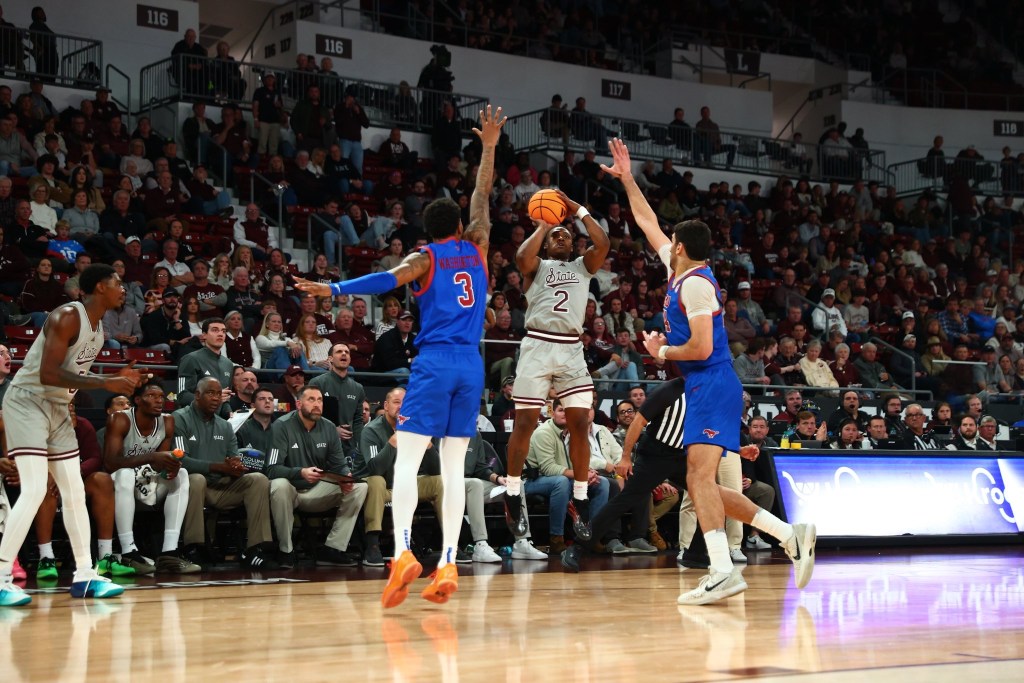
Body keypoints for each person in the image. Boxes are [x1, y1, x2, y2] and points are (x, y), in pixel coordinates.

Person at [294, 105, 506, 608]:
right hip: (470, 365)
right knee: (455, 468)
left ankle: (405, 552)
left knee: (407, 461)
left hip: (433, 362)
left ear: (425, 229)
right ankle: (450, 560)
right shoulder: (478, 245)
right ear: (460, 223)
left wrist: (333, 286)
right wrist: (490, 146)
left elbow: (386, 279)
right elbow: (481, 195)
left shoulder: (424, 257)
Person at [603, 137, 815, 605]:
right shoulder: (679, 269)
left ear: (679, 248)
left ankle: (722, 570)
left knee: (698, 481)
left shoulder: (697, 286)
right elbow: (647, 222)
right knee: (702, 483)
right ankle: (789, 535)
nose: (665, 243)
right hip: (704, 385)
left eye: (670, 242)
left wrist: (661, 352)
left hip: (712, 382)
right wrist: (627, 179)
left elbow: (699, 344)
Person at [0, 264, 147, 607]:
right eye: (117, 283)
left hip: (57, 409)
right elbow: (49, 373)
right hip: (29, 402)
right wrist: (103, 382)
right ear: (98, 287)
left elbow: (69, 374)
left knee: (75, 491)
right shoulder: (67, 316)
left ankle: (84, 575)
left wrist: (109, 377)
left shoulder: (99, 328)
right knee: (36, 488)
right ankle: (3, 575)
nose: (123, 288)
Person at [499, 189, 611, 548]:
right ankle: (513, 492)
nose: (562, 238)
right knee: (526, 422)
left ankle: (580, 497)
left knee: (581, 423)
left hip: (571, 349)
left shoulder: (583, 265)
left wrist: (578, 208)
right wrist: (544, 225)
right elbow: (520, 255)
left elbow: (603, 242)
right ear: (547, 247)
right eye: (555, 237)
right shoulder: (536, 267)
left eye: (566, 235)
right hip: (537, 344)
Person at [175, 377, 278, 569]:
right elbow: (181, 460)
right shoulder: (179, 419)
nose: (215, 398)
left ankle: (255, 549)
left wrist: (236, 468)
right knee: (195, 479)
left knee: (258, 480)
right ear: (197, 395)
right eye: (210, 393)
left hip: (222, 487)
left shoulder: (225, 425)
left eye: (218, 394)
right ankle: (194, 547)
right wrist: (217, 467)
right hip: (192, 488)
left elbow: (234, 458)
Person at [266, 385, 368, 567]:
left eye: (319, 400)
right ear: (298, 404)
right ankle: (286, 550)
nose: (317, 405)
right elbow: (271, 469)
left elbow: (339, 464)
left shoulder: (328, 427)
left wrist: (345, 477)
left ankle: (333, 548)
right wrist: (300, 472)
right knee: (279, 484)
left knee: (359, 487)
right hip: (292, 492)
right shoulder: (281, 426)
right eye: (311, 400)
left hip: (319, 490)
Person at [103, 382, 199, 574]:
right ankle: (129, 550)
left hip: (147, 479)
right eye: (152, 396)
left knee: (181, 474)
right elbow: (110, 463)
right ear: (137, 400)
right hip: (119, 482)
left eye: (161, 397)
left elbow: (158, 464)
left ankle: (169, 552)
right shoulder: (120, 419)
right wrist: (151, 457)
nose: (159, 400)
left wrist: (169, 467)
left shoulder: (168, 421)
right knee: (125, 474)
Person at [176, 317, 234, 407]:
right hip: (194, 418)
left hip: (218, 419)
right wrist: (212, 398)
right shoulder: (191, 359)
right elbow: (182, 396)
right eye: (215, 330)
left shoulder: (228, 364)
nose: (220, 334)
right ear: (204, 335)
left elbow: (225, 399)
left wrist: (229, 413)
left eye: (223, 331)